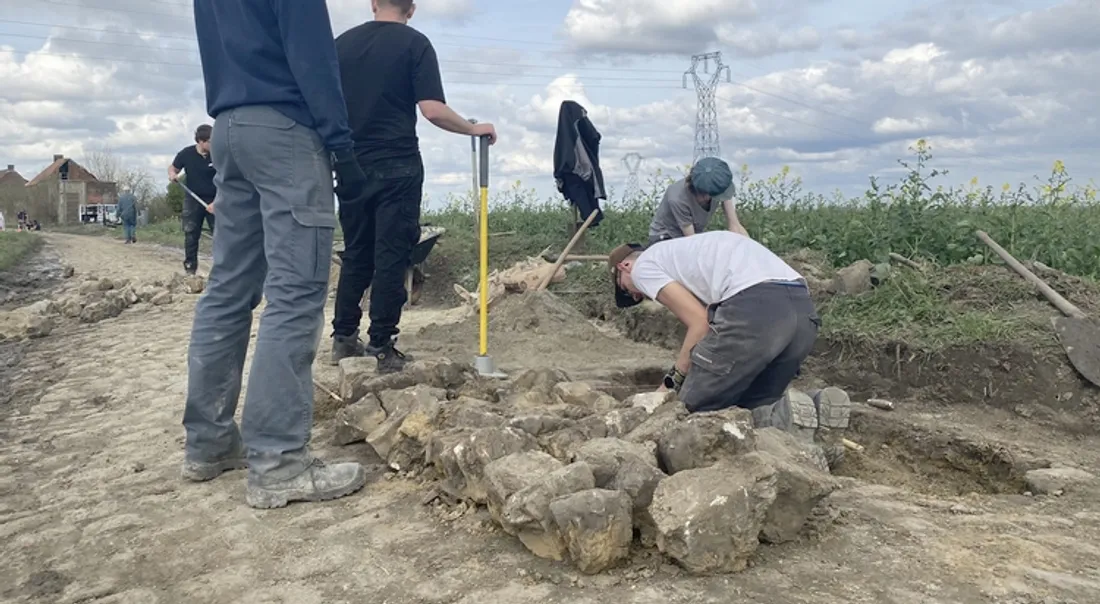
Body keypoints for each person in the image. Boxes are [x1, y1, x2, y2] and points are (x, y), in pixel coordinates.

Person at [184, 0, 369, 509]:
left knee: (229, 288)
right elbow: (313, 58)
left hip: (228, 128)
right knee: (296, 292)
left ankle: (209, 444)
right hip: (285, 132)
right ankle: (279, 462)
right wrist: (343, 148)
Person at [330, 0, 497, 372]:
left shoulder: (340, 45)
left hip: (350, 163)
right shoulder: (414, 44)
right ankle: (381, 345)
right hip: (397, 164)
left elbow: (323, 107)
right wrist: (473, 128)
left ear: (373, 3)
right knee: (392, 254)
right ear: (413, 8)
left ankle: (343, 339)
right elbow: (432, 109)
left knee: (356, 252)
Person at [608, 231, 850, 431]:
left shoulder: (643, 268)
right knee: (752, 408)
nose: (637, 295)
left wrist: (671, 385)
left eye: (627, 290)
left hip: (755, 309)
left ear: (625, 266)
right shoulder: (689, 252)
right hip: (801, 312)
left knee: (688, 415)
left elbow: (700, 323)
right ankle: (813, 409)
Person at [648, 157, 747, 245]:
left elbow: (734, 225)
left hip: (692, 237)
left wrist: (749, 249)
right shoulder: (677, 199)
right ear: (705, 195)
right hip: (665, 239)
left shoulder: (720, 185)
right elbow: (692, 242)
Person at [169, 125, 217, 275]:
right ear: (201, 141)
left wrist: (217, 203)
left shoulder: (218, 155)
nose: (213, 143)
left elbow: (227, 180)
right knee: (191, 233)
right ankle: (190, 268)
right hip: (193, 198)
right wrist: (172, 175)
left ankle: (222, 270)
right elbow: (173, 168)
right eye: (210, 141)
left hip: (215, 199)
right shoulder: (186, 154)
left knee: (220, 234)